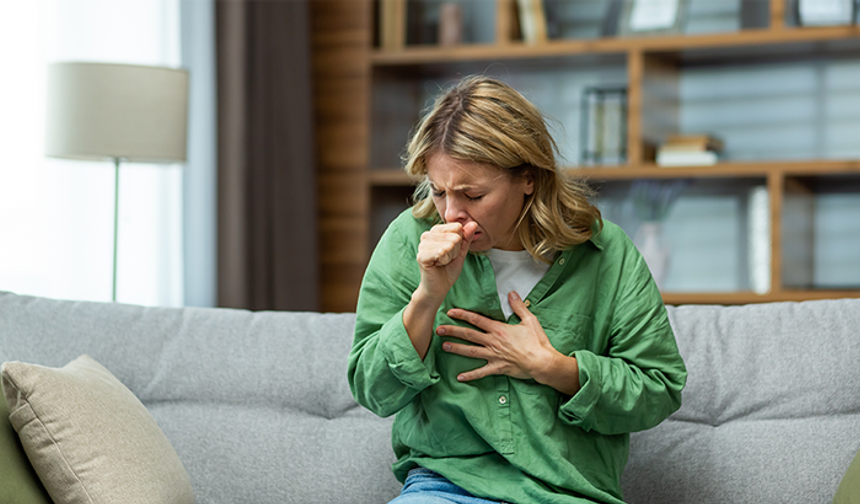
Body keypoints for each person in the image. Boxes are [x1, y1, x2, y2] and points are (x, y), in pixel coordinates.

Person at [348, 76, 687, 504]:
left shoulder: (605, 253)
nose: (452, 214)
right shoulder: (408, 239)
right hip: (445, 487)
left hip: (566, 492)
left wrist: (555, 368)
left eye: (473, 194)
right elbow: (372, 390)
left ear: (528, 178)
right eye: (438, 192)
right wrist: (428, 296)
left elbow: (659, 388)